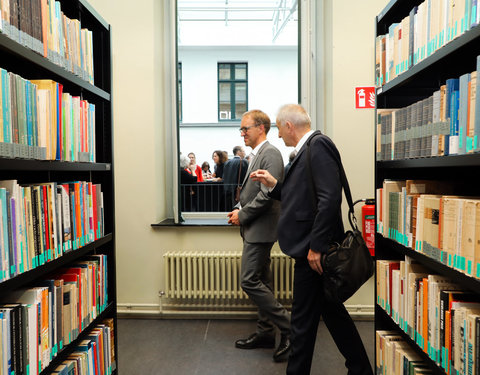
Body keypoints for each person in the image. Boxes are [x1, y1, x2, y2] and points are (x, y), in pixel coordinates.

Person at [250, 104, 372, 375]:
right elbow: (303, 199)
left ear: (289, 126)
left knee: (302, 322)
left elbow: (330, 199)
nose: (279, 136)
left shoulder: (318, 146)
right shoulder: (309, 150)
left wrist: (316, 247)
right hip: (312, 249)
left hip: (314, 251)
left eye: (280, 130)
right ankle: (360, 368)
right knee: (332, 314)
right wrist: (274, 186)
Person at [227, 109, 291, 363]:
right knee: (263, 281)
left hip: (261, 229)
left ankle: (289, 328)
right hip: (256, 227)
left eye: (246, 128)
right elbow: (253, 193)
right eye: (241, 130)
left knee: (249, 281)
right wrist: (239, 208)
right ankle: (266, 334)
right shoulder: (256, 155)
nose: (242, 133)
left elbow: (267, 194)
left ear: (261, 128)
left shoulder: (271, 153)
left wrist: (242, 216)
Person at [222, 146, 248, 211]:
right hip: (238, 191)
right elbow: (245, 177)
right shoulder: (243, 161)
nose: (245, 153)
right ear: (238, 152)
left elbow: (224, 177)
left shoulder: (227, 162)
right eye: (243, 151)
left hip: (227, 190)